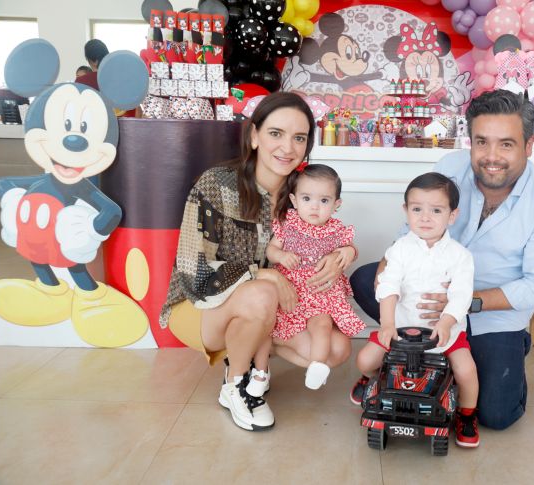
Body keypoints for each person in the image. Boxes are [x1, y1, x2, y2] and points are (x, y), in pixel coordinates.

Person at [349, 89, 534, 430]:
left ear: (528, 146)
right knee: (365, 280)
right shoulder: (449, 168)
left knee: (496, 416)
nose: (491, 156)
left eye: (506, 144)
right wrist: (386, 267)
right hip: (422, 296)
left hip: (492, 311)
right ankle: (417, 353)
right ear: (471, 141)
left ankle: (505, 350)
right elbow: (411, 226)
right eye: (482, 142)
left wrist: (464, 303)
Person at [159, 92, 353, 432]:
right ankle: (237, 386)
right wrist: (265, 275)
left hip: (270, 308)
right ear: (254, 136)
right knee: (263, 292)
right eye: (275, 133)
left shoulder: (302, 193)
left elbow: (332, 234)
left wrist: (346, 254)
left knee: (335, 349)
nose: (287, 147)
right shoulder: (218, 184)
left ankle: (248, 355)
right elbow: (195, 271)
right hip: (199, 304)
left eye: (299, 138)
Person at [350, 172, 481, 448]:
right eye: (417, 209)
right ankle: (371, 380)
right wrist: (387, 325)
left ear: (452, 215)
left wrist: (445, 323)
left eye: (436, 210)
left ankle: (467, 415)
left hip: (446, 332)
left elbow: (460, 296)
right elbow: (388, 287)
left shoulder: (461, 257)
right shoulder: (399, 250)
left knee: (466, 371)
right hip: (401, 328)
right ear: (405, 211)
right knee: (364, 359)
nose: (425, 217)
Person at [249, 163, 364, 395]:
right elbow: (271, 250)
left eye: (324, 201)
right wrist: (281, 255)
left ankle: (318, 365)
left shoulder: (336, 229)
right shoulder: (287, 225)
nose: (314, 207)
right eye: (307, 198)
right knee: (268, 326)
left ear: (336, 204)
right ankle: (259, 372)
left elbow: (348, 248)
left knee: (321, 324)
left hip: (320, 292)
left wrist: (348, 251)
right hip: (290, 289)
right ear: (293, 200)